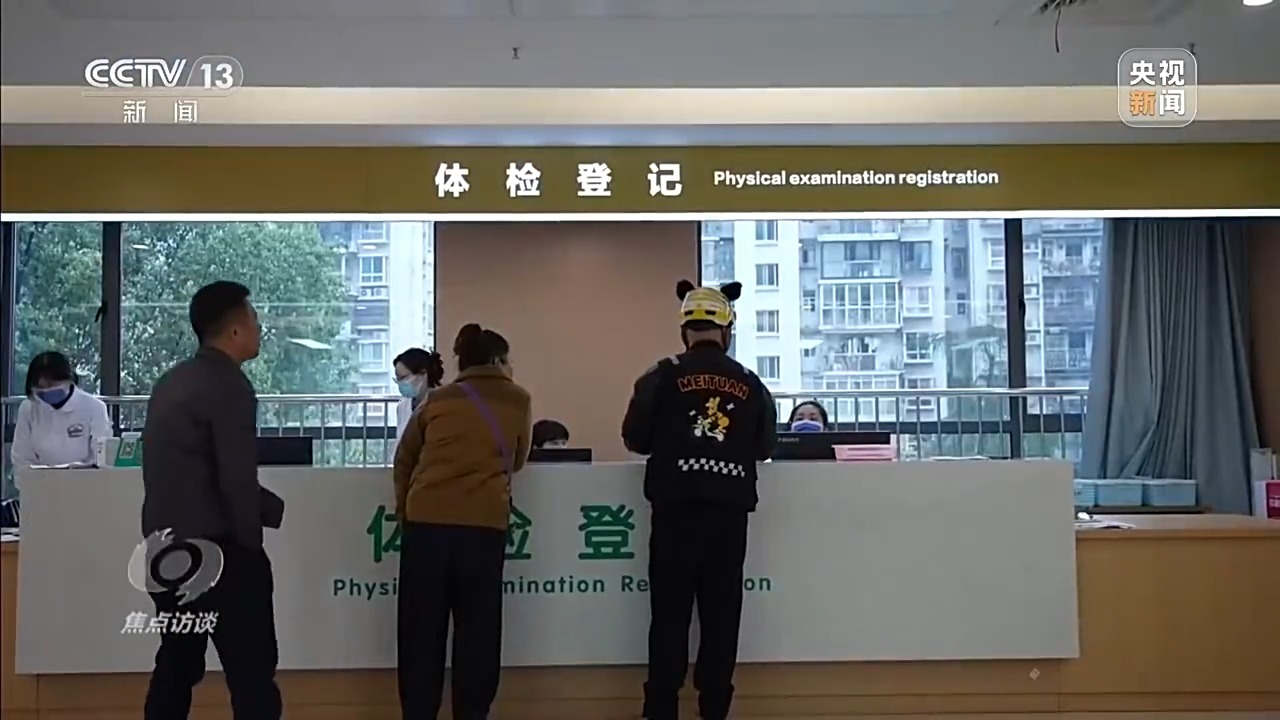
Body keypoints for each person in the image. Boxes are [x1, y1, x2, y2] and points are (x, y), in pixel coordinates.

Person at [621, 279, 777, 720]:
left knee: (669, 615)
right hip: (728, 515)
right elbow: (765, 445)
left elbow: (635, 438)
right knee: (722, 616)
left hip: (674, 511)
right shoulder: (750, 382)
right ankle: (714, 708)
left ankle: (661, 708)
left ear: (683, 330)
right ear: (727, 330)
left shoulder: (660, 375)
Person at [140, 280, 284, 720]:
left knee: (177, 664)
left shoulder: (171, 382)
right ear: (234, 331)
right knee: (252, 674)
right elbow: (235, 477)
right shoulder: (229, 386)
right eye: (254, 319)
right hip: (221, 552)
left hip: (165, 550)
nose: (259, 327)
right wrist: (252, 548)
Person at [393, 322, 533, 720]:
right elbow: (518, 459)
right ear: (498, 360)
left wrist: (406, 510)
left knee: (420, 632)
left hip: (426, 527)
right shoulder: (518, 399)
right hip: (483, 529)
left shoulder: (437, 400)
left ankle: (418, 712)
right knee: (478, 632)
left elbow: (405, 459)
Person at [10, 351, 113, 470]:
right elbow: (21, 457)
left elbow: (102, 457)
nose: (46, 391)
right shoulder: (29, 408)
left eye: (51, 384)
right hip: (40, 478)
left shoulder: (94, 407)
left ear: (69, 379)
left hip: (85, 477)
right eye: (40, 387)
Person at [392, 347, 446, 456]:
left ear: (423, 374)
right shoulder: (403, 406)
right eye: (397, 379)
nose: (400, 383)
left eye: (403, 378)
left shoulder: (443, 403)